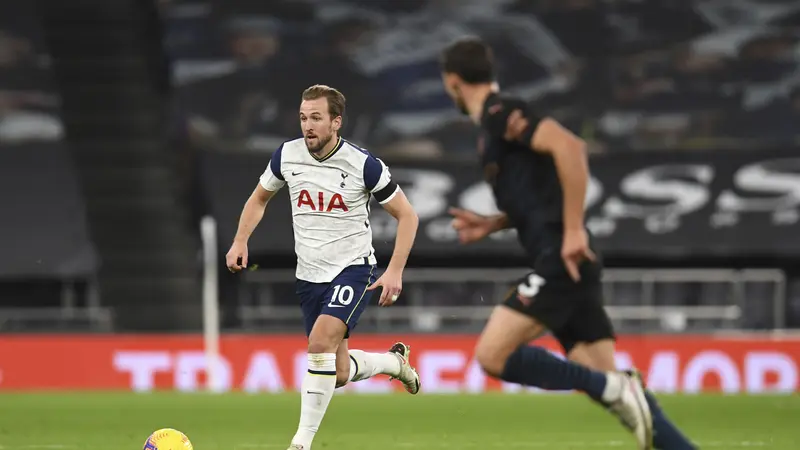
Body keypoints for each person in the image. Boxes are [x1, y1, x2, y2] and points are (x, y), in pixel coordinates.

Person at [441, 36, 697, 450]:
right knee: (623, 400)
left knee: (493, 355)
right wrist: (495, 224)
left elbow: (570, 148)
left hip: (562, 258)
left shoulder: (499, 111)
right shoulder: (489, 133)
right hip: (569, 262)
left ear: (452, 81)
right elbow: (537, 195)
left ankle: (616, 389)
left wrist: (574, 229)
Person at [225, 84, 421, 450]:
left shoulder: (364, 164)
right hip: (310, 275)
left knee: (319, 343)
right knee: (338, 372)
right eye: (303, 117)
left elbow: (407, 216)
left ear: (336, 122)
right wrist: (240, 240)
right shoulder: (287, 156)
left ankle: (300, 443)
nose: (308, 126)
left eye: (316, 118)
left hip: (353, 268)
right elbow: (259, 198)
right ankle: (395, 364)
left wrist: (394, 270)